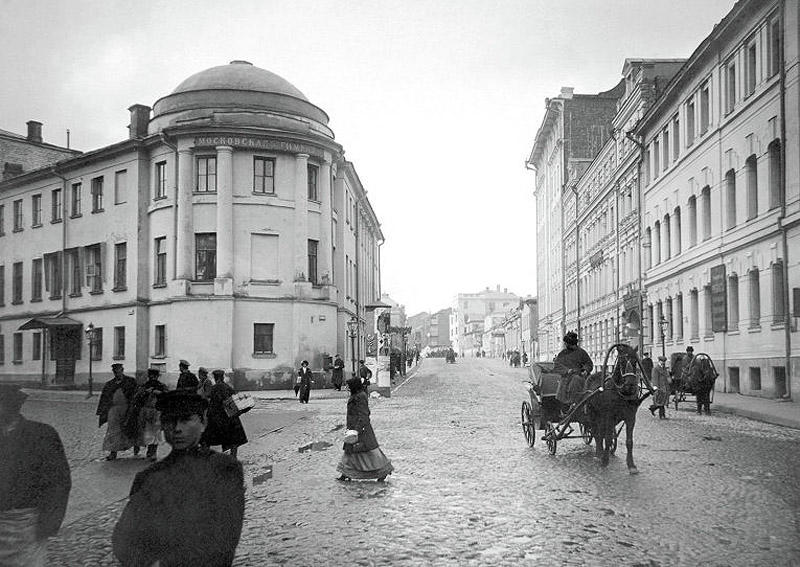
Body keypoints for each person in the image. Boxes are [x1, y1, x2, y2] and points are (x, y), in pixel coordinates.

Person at [112, 390, 244, 567]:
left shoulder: (224, 468)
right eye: (170, 421)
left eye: (186, 420)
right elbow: (126, 543)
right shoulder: (149, 477)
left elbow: (227, 536)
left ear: (203, 423)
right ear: (162, 426)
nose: (177, 429)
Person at [0, 385, 71, 566]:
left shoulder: (42, 435)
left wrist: (48, 524)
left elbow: (59, 481)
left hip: (26, 527)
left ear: (13, 407)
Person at [337, 377, 394, 482]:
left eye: (348, 386)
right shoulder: (356, 395)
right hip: (352, 428)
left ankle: (383, 471)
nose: (347, 388)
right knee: (349, 452)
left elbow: (364, 414)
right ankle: (346, 473)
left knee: (371, 453)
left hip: (361, 429)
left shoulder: (360, 396)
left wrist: (357, 429)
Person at [201, 370, 249, 459]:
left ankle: (206, 458)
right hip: (230, 417)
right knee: (233, 439)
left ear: (215, 378)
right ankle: (232, 457)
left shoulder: (214, 388)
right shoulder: (228, 387)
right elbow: (234, 397)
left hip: (217, 417)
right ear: (222, 377)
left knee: (206, 438)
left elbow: (208, 397)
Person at [96, 363, 139, 460]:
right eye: (115, 372)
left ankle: (136, 446)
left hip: (127, 409)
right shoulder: (110, 384)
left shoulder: (130, 381)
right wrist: (103, 412)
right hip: (114, 411)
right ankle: (113, 452)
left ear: (122, 370)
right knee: (113, 430)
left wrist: (135, 408)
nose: (117, 373)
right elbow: (104, 398)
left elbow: (136, 395)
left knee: (130, 428)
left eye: (119, 371)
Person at [133, 368, 169, 460]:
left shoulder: (161, 386)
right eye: (151, 376)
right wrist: (145, 392)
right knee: (148, 432)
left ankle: (153, 452)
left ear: (157, 377)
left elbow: (168, 397)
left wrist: (160, 393)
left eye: (154, 376)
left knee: (156, 433)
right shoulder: (144, 386)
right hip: (146, 411)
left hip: (157, 411)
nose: (153, 378)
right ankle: (150, 451)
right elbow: (137, 398)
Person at [553, 332, 594, 405]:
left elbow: (589, 363)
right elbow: (557, 365)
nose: (567, 345)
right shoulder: (562, 353)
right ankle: (570, 403)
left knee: (587, 382)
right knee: (575, 381)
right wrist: (567, 371)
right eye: (569, 344)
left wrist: (586, 370)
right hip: (567, 378)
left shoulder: (581, 352)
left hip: (581, 376)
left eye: (573, 345)